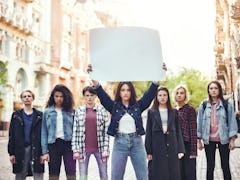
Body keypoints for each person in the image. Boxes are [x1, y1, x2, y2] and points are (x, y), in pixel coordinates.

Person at [197, 80, 238, 180]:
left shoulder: (227, 104)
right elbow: (199, 122)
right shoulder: (204, 105)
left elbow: (232, 122)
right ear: (208, 91)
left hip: (223, 139)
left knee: (225, 166)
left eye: (216, 88)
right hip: (208, 140)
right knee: (210, 167)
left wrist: (232, 140)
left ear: (219, 90)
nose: (213, 90)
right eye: (211, 88)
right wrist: (198, 140)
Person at [145, 87, 185, 180]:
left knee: (173, 172)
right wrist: (148, 151)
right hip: (157, 145)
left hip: (172, 144)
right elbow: (148, 132)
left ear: (168, 97)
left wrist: (180, 149)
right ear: (156, 97)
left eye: (164, 95)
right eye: (160, 95)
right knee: (158, 172)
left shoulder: (173, 111)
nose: (162, 97)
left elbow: (178, 130)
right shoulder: (151, 112)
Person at [72, 86, 110, 180]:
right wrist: (75, 149)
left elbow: (106, 132)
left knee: (104, 175)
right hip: (83, 149)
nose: (89, 97)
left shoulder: (102, 110)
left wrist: (106, 149)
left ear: (95, 96)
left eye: (91, 95)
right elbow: (75, 131)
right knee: (83, 176)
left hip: (100, 149)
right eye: (87, 95)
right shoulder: (79, 111)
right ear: (84, 96)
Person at [41, 84, 76, 180]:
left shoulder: (71, 111)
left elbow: (76, 130)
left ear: (65, 97)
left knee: (71, 173)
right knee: (53, 174)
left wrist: (77, 148)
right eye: (56, 96)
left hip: (69, 145)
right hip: (53, 145)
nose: (59, 99)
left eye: (61, 96)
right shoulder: (47, 112)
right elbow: (44, 132)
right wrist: (44, 152)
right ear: (53, 97)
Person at [8, 90, 44, 180]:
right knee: (20, 174)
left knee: (38, 174)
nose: (27, 98)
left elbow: (44, 135)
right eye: (24, 96)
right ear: (22, 99)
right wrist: (11, 153)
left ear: (33, 98)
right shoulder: (16, 115)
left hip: (36, 148)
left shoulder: (40, 115)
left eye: (29, 96)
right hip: (20, 149)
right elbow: (11, 135)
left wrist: (44, 152)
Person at [173, 84, 197, 180]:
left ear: (185, 95)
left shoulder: (189, 109)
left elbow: (193, 130)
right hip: (176, 146)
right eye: (177, 93)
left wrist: (193, 151)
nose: (179, 95)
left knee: (190, 174)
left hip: (187, 146)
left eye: (182, 93)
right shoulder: (172, 110)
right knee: (179, 174)